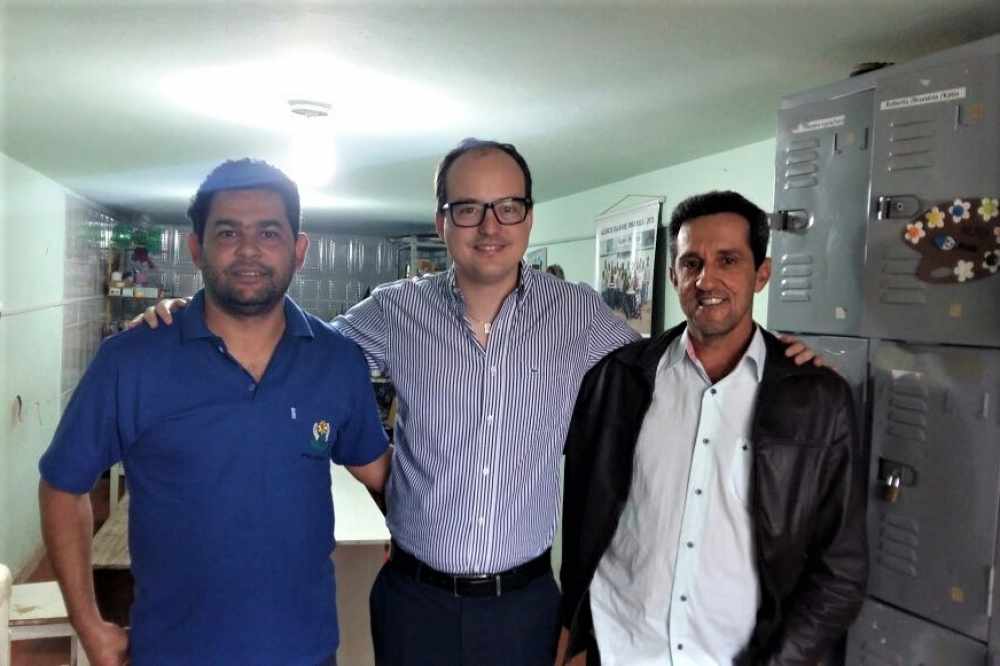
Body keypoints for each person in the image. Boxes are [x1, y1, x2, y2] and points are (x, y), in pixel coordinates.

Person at [139, 142, 821, 665]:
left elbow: (671, 367)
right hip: (414, 601)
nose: (489, 225)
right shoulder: (396, 311)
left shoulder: (578, 314)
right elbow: (297, 353)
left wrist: (775, 357)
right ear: (442, 221)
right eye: (468, 208)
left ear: (528, 215)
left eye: (507, 207)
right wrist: (198, 312)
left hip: (524, 606)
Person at [39, 158, 390, 666]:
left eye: (268, 232)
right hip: (172, 653)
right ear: (196, 248)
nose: (248, 249)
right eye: (228, 232)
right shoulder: (131, 360)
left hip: (307, 652)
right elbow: (62, 487)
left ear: (298, 249)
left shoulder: (336, 361)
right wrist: (89, 624)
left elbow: (381, 471)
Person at [557, 190, 867, 665]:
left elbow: (840, 572)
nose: (707, 280)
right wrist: (574, 636)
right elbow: (583, 520)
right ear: (672, 276)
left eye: (728, 260)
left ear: (761, 274)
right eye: (691, 263)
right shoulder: (616, 381)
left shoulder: (816, 400)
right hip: (620, 648)